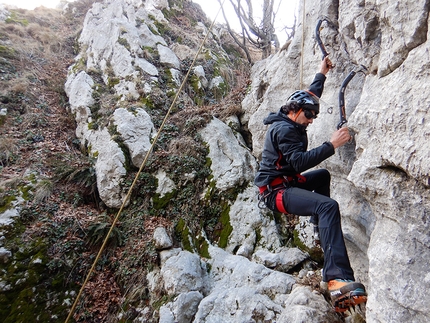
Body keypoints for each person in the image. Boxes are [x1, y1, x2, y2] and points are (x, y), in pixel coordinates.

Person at [254, 56, 367, 312]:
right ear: (294, 110)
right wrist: (332, 144)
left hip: (286, 182)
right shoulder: (283, 130)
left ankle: (320, 230)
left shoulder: (293, 116)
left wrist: (322, 72)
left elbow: (310, 94)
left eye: (314, 115)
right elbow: (298, 163)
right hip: (276, 192)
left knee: (323, 176)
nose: (312, 119)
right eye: (309, 115)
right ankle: (337, 279)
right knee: (328, 206)